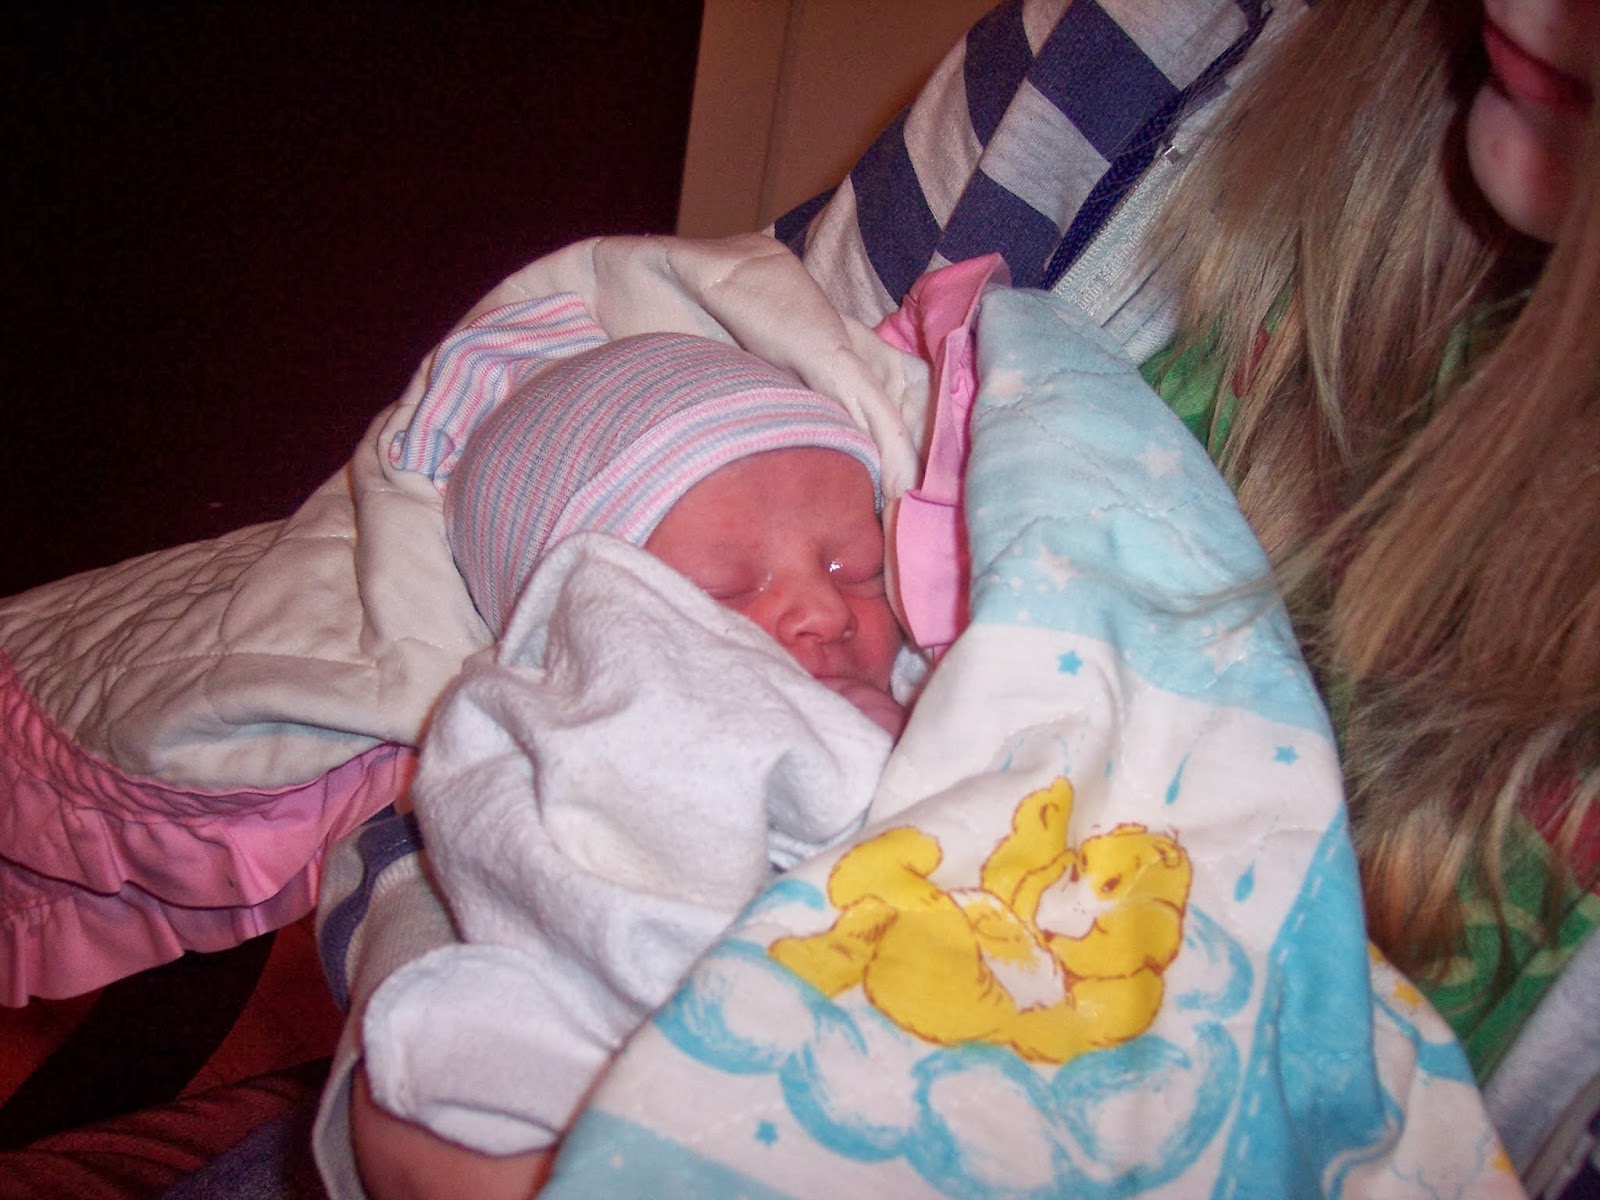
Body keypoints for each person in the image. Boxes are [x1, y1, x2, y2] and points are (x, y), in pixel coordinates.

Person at [323, 1, 1600, 1197]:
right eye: (727, 588)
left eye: (852, 565)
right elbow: (545, 878)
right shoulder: (567, 709)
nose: (822, 613)